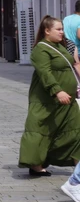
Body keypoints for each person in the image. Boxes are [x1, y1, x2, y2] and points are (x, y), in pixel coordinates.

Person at [19, 15, 80, 183]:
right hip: (47, 99)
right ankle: (35, 164)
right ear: (47, 31)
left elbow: (72, 65)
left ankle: (78, 166)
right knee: (40, 130)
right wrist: (57, 91)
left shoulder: (61, 47)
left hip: (68, 99)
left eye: (62, 29)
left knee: (75, 129)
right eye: (58, 29)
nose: (62, 32)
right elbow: (44, 72)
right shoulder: (41, 49)